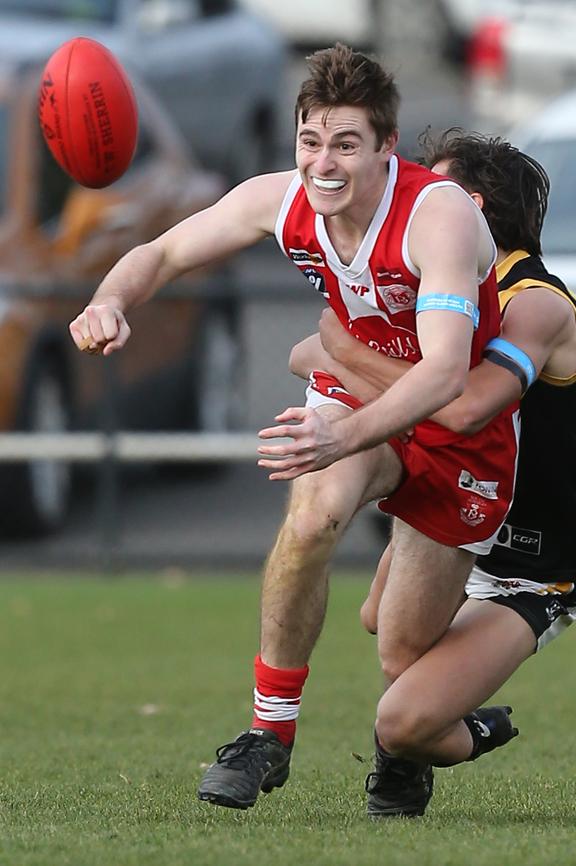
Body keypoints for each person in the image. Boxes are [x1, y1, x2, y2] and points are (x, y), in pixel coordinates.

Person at [68, 48, 519, 813]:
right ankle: (267, 737)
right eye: (311, 141)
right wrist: (109, 300)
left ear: (386, 144)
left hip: (458, 436)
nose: (324, 162)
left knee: (405, 669)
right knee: (310, 517)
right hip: (352, 398)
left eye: (346, 143)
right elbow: (164, 250)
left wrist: (344, 437)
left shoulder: (436, 213)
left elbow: (445, 377)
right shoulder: (281, 200)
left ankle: (409, 746)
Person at [290, 128, 576, 817]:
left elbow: (463, 408)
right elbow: (298, 354)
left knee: (399, 718)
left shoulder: (534, 304)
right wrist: (347, 352)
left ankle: (453, 734)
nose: (406, 202)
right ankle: (435, 716)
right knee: (377, 621)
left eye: (427, 188)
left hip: (526, 565)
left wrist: (344, 347)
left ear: (469, 204)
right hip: (453, 514)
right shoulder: (446, 296)